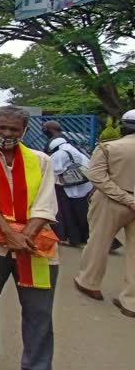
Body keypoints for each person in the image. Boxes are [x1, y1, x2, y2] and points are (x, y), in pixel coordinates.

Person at [0, 106, 58, 370]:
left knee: (38, 309)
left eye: (14, 129)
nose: (7, 133)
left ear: (25, 131)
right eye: (2, 128)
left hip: (35, 243)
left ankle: (37, 364)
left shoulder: (41, 160)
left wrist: (23, 237)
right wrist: (8, 233)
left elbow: (46, 204)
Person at [74, 109, 135, 318]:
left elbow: (97, 177)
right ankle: (131, 302)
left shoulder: (109, 147)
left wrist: (126, 199)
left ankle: (89, 282)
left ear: (124, 126)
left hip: (111, 201)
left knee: (98, 242)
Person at [47, 136, 93, 247]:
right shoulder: (74, 149)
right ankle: (84, 238)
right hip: (83, 186)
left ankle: (75, 238)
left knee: (71, 215)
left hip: (72, 188)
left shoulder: (60, 154)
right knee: (82, 214)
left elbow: (52, 170)